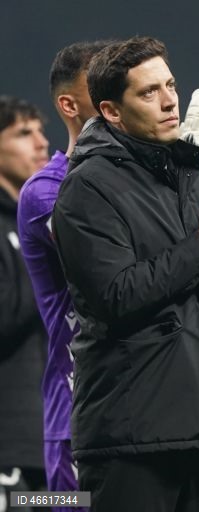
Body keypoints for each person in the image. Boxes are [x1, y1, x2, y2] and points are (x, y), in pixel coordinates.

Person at [51, 36, 199, 512]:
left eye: (170, 84)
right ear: (112, 111)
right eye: (149, 92)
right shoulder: (87, 186)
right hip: (131, 433)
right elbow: (115, 297)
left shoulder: (192, 175)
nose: (171, 99)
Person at [17, 41, 110, 512]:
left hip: (156, 414)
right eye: (106, 84)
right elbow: (114, 264)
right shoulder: (45, 192)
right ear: (70, 105)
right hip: (77, 423)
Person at [0, 95, 49, 509]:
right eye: (22, 133)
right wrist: (51, 267)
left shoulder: (37, 223)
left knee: (71, 502)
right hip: (8, 452)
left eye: (40, 131)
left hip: (55, 443)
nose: (40, 143)